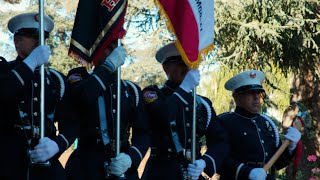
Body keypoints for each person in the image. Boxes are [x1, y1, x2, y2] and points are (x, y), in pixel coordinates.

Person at [45, 29, 151, 180]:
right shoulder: (79, 79)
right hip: (86, 165)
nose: (113, 51)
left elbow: (143, 132)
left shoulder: (131, 90)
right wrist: (107, 67)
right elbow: (83, 97)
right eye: (108, 46)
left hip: (122, 165)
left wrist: (131, 158)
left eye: (116, 46)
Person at [142, 42, 229, 180]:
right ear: (165, 68)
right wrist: (184, 88)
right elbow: (163, 114)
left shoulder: (202, 103)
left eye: (190, 62)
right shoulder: (152, 94)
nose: (186, 67)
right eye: (180, 62)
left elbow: (220, 141)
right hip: (160, 172)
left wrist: (204, 162)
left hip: (192, 171)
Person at [0, 12, 67, 180]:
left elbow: (73, 121)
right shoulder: (4, 72)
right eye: (33, 36)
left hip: (47, 163)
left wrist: (57, 145)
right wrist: (29, 64)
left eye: (44, 37)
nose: (39, 41)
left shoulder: (57, 80)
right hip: (7, 161)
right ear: (17, 41)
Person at [217, 70, 301, 180]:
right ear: (236, 97)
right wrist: (247, 172)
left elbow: (278, 164)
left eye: (258, 93)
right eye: (251, 93)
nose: (257, 97)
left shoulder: (267, 123)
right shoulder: (224, 122)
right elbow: (218, 159)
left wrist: (290, 147)